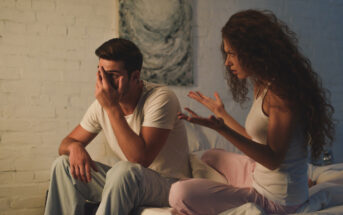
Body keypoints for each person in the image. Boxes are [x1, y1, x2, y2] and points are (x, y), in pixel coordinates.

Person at [169, 9, 335, 215]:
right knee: (211, 156)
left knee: (179, 193)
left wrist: (222, 130)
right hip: (260, 177)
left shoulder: (281, 95)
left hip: (278, 201)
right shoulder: (263, 84)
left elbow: (273, 160)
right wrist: (222, 115)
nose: (227, 62)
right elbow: (258, 143)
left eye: (231, 53)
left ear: (252, 51)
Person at [44, 38, 191, 215]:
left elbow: (140, 160)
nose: (104, 82)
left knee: (124, 170)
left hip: (169, 185)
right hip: (129, 180)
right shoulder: (102, 104)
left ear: (135, 76)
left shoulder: (161, 98)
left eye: (112, 75)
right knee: (63, 165)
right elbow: (66, 144)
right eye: (100, 73)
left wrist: (112, 108)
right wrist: (75, 146)